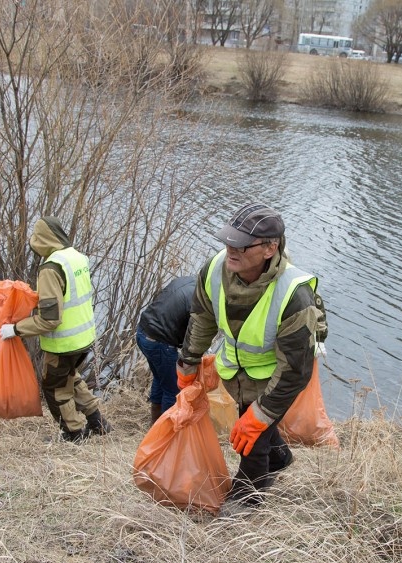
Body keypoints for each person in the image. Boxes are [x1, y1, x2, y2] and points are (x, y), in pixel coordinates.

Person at [176, 203, 326, 510]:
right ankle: (281, 458)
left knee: (251, 439)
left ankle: (245, 501)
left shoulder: (295, 295)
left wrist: (262, 414)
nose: (231, 249)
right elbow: (202, 317)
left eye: (242, 245)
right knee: (254, 429)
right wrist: (188, 360)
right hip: (237, 370)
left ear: (270, 248)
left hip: (277, 375)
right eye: (228, 241)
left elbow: (295, 370)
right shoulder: (215, 269)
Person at [0, 216, 113, 442]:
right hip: (85, 337)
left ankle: (74, 433)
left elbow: (50, 319)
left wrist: (15, 329)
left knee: (54, 388)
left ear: (43, 239)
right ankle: (98, 421)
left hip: (64, 343)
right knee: (71, 377)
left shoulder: (51, 268)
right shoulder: (77, 257)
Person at [136, 275, 198, 425]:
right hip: (160, 342)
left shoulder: (188, 280)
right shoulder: (200, 300)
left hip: (143, 332)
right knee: (173, 389)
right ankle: (166, 433)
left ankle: (155, 423)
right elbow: (194, 336)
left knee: (161, 379)